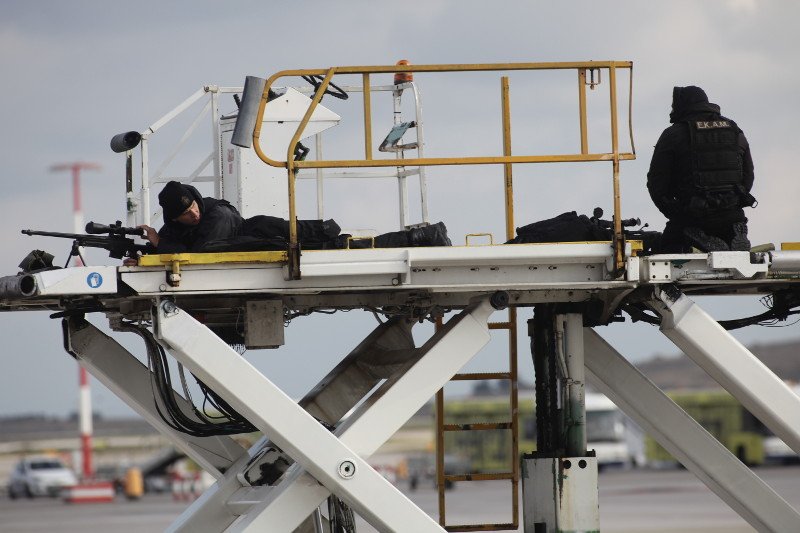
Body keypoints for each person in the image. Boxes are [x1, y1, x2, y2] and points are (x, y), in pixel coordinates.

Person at [137, 180, 450, 255]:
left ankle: (422, 237)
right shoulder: (191, 222)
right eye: (186, 213)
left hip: (287, 245)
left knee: (350, 248)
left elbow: (202, 252)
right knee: (350, 246)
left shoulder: (216, 214)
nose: (193, 213)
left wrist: (160, 244)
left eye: (193, 206)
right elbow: (179, 241)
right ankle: (422, 236)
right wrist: (150, 250)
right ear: (175, 218)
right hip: (281, 242)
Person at [647, 86, 756, 253]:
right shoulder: (734, 130)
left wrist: (676, 213)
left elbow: (657, 184)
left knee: (664, 250)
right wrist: (734, 202)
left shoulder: (673, 134)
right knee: (730, 242)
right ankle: (733, 236)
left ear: (682, 105)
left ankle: (699, 238)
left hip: (693, 216)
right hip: (732, 216)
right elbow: (748, 176)